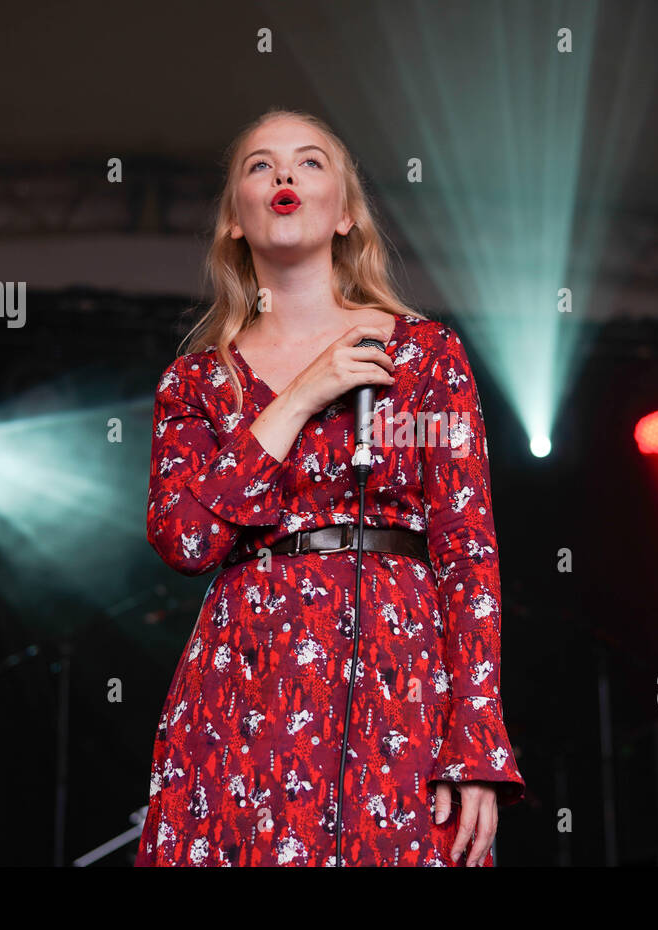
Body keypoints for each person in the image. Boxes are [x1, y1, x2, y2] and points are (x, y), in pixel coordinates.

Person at [134, 108, 525, 866]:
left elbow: (466, 543)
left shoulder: (421, 356)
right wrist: (299, 396)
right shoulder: (199, 382)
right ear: (236, 222)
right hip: (244, 684)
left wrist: (476, 735)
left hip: (398, 676)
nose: (283, 175)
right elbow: (185, 540)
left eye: (310, 163)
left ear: (345, 214)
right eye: (260, 165)